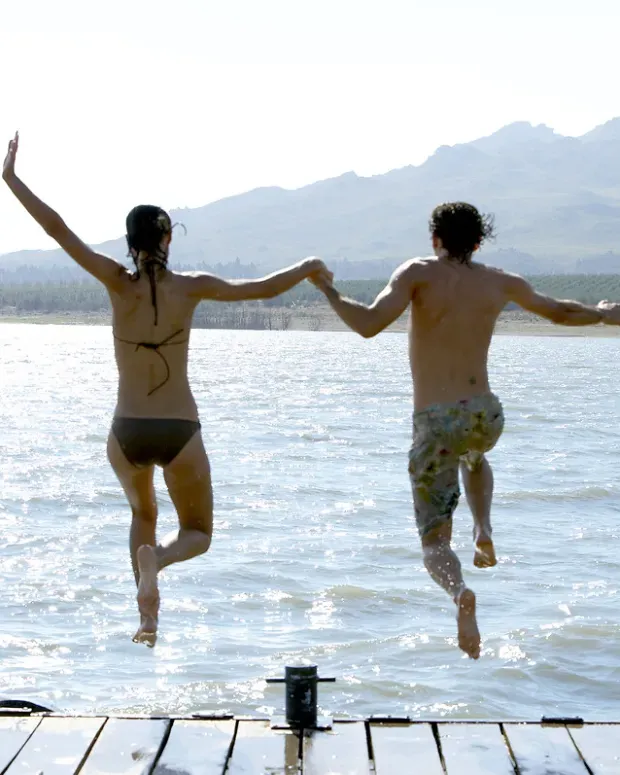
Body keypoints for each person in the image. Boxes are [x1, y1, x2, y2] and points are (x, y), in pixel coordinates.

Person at [2, 132, 331, 646]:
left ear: (129, 244)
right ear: (168, 240)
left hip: (126, 431)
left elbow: (59, 230)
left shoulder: (115, 280)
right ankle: (161, 559)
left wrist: (11, 177)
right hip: (180, 431)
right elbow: (261, 288)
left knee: (142, 514)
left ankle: (147, 617)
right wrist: (308, 267)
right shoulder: (192, 285)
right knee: (197, 533)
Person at [314, 201, 620, 659]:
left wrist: (329, 292)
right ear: (479, 241)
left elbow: (369, 324)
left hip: (435, 419)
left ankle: (460, 592)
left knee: (434, 539)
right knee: (475, 455)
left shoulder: (416, 273)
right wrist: (602, 313)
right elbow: (558, 312)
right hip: (484, 413)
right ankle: (483, 527)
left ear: (434, 238)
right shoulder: (501, 280)